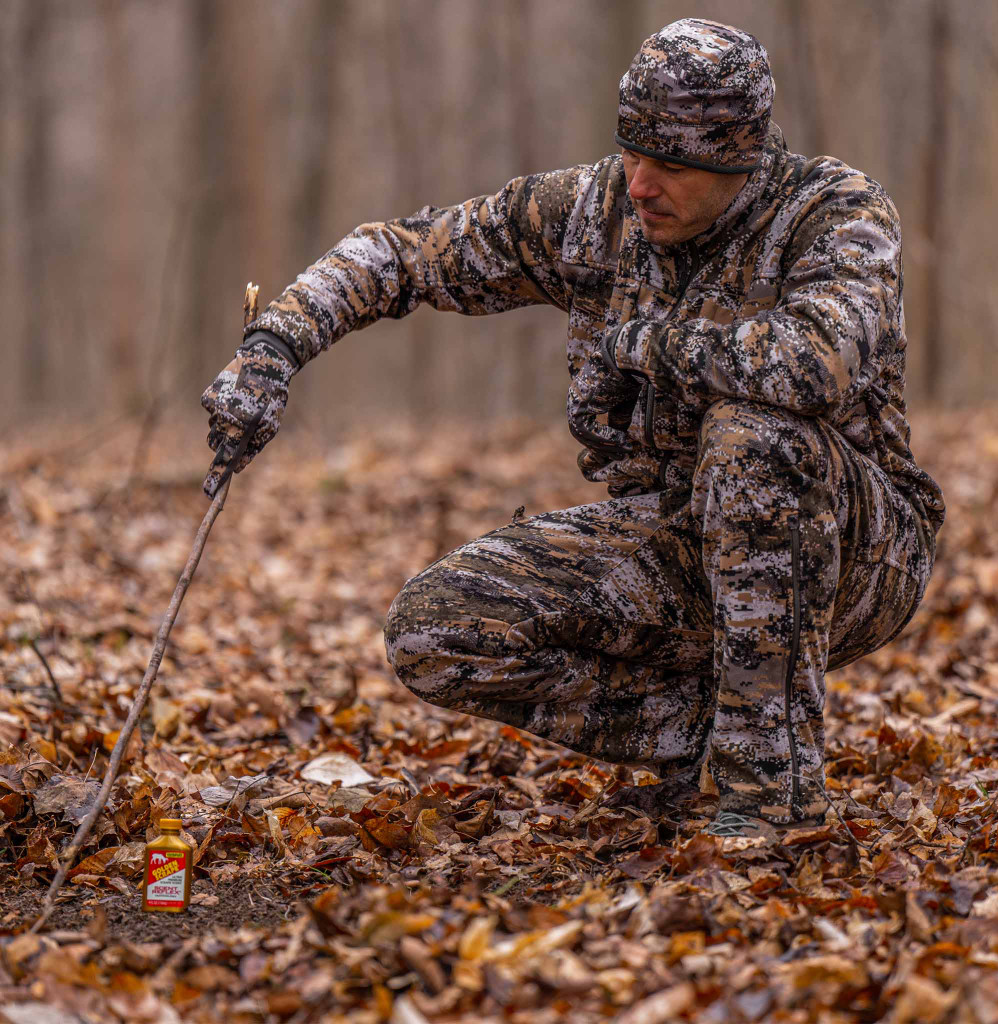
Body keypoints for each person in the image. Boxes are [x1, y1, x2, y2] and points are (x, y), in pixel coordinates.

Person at [201, 18, 944, 840]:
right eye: (631, 152)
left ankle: (768, 802)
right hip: (679, 539)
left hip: (860, 554)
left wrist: (645, 343)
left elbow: (818, 360)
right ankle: (723, 733)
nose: (640, 184)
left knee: (752, 437)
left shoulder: (833, 211)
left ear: (741, 161)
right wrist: (273, 348)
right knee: (441, 627)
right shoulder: (594, 212)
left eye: (671, 164)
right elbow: (403, 254)